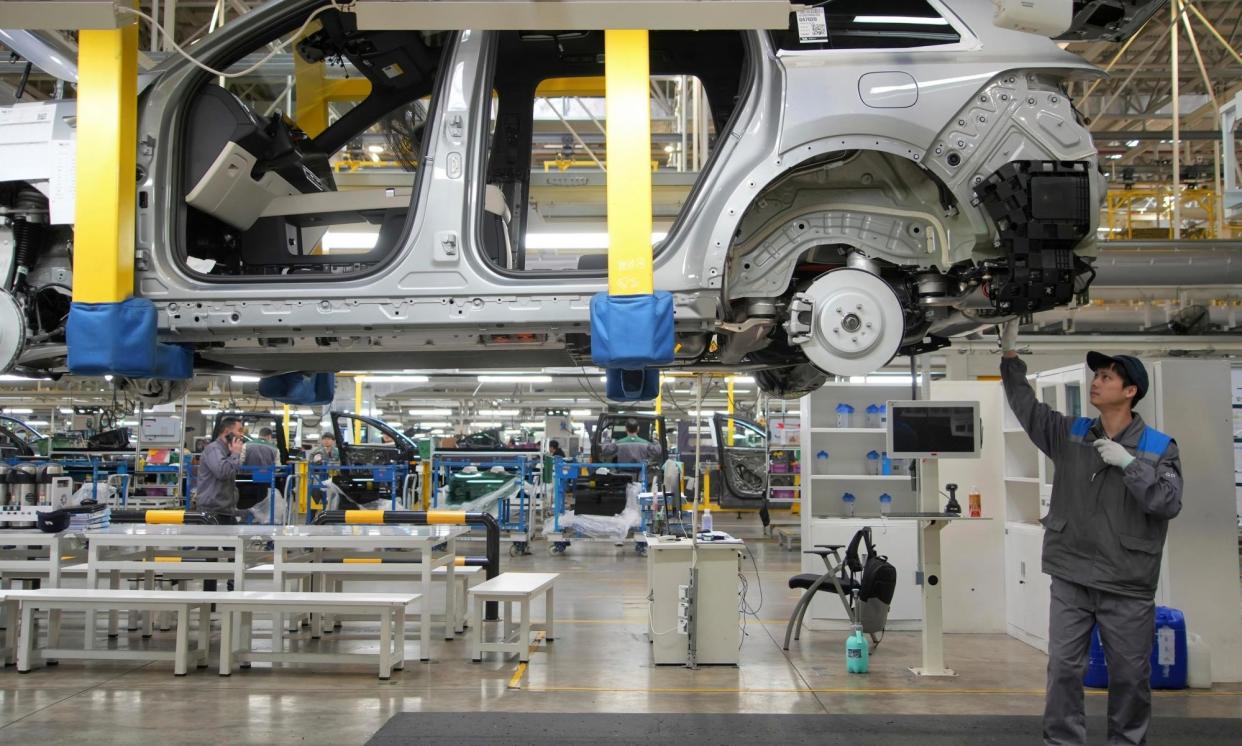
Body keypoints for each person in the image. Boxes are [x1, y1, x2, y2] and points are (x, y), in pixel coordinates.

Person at [999, 321, 1183, 746]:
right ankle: (1063, 742)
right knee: (1063, 668)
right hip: (1073, 574)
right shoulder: (1075, 434)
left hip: (1127, 582)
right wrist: (1011, 359)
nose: (1095, 382)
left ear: (1130, 390)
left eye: (1105, 377)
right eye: (1096, 375)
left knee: (1130, 678)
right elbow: (1029, 409)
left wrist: (1129, 465)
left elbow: (1167, 503)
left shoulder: (1158, 448)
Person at [196, 417, 244, 524]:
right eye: (239, 430)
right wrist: (235, 454)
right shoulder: (214, 449)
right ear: (227, 432)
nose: (241, 435)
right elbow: (222, 473)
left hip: (226, 511)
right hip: (212, 512)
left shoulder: (228, 451)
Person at [238, 426, 281, 512]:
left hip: (246, 483)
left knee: (245, 505)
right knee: (262, 505)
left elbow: (240, 462)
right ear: (269, 436)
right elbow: (278, 468)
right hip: (264, 483)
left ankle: (245, 517)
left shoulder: (246, 445)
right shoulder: (275, 449)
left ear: (259, 435)